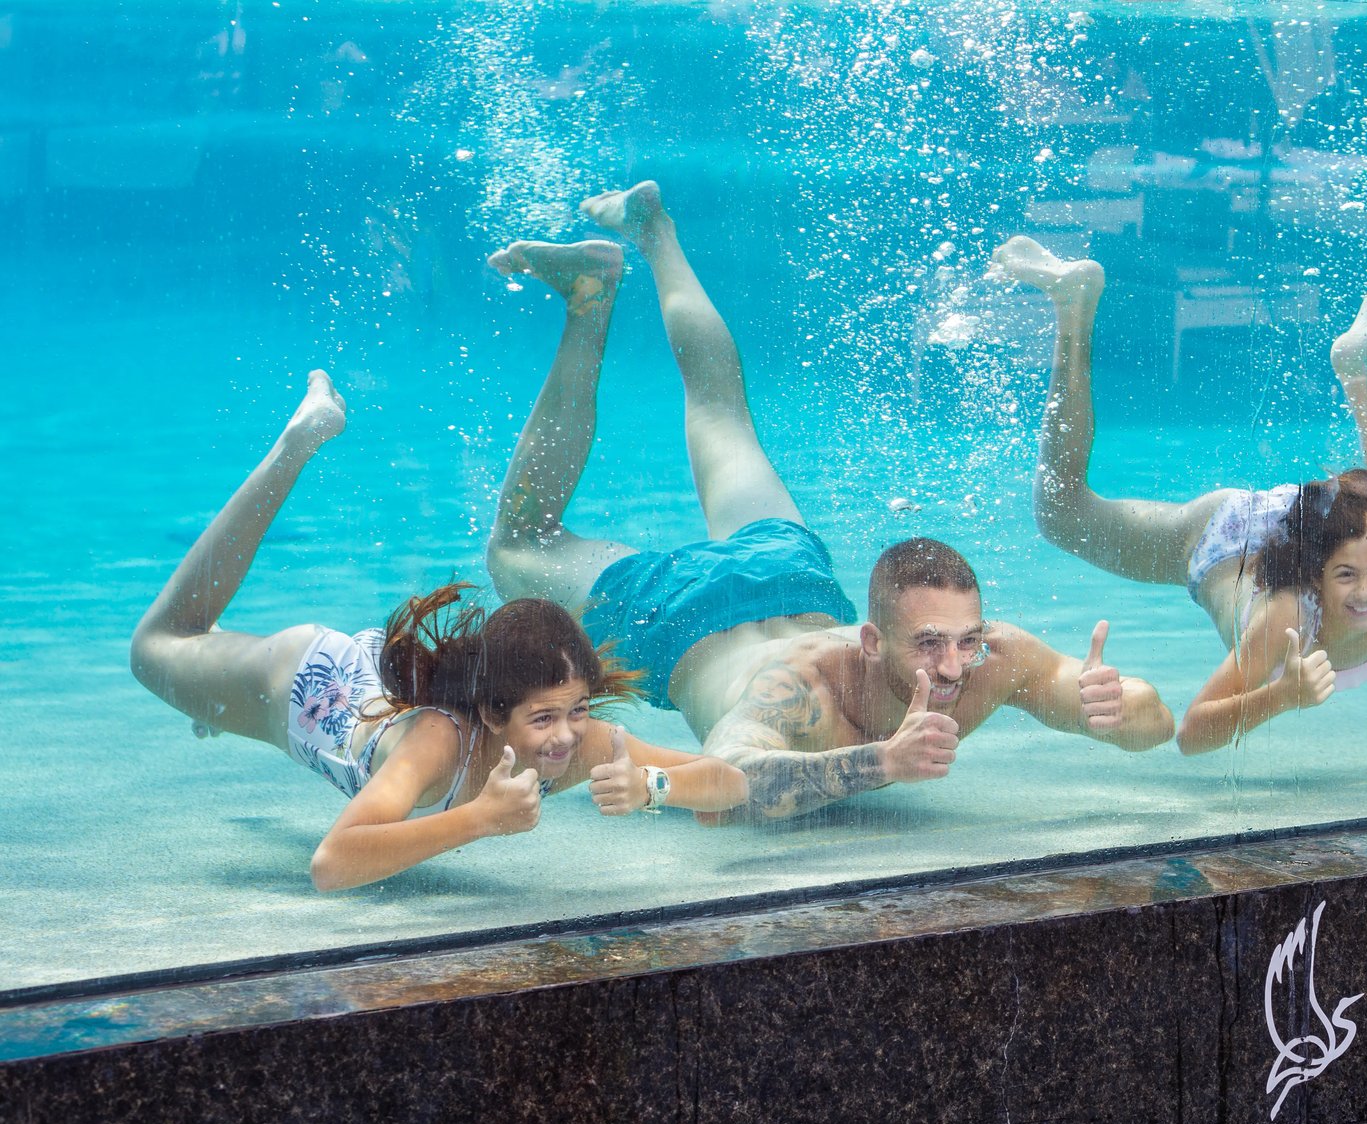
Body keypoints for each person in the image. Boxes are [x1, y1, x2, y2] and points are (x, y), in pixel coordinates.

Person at [485, 181, 1175, 822]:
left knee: (724, 414)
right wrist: (882, 762)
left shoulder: (991, 661)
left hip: (786, 568)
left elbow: (1153, 724)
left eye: (966, 640)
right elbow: (725, 784)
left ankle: (653, 230)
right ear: (870, 641)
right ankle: (589, 300)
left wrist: (1116, 705)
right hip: (680, 615)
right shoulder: (795, 689)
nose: (954, 667)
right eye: (928, 644)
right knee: (519, 543)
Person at [129, 371, 748, 891]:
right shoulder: (438, 741)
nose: (565, 736)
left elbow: (729, 781)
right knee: (158, 645)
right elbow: (331, 864)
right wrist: (479, 819)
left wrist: (653, 786)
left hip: (375, 689)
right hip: (306, 685)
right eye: (543, 718)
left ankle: (213, 682)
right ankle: (295, 445)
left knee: (196, 661)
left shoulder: (579, 740)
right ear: (491, 711)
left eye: (577, 709)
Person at [992, 236, 1367, 756]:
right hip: (1221, 537)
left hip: (1320, 521)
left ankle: (1356, 370)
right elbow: (1192, 734)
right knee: (1060, 514)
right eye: (1346, 577)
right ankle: (1073, 310)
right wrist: (1282, 697)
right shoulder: (1283, 621)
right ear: (1315, 574)